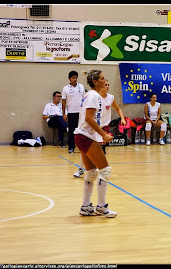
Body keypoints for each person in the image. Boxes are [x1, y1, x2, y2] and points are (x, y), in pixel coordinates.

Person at [73, 69, 116, 218]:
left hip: (82, 136)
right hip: (84, 137)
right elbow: (89, 118)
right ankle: (102, 207)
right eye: (103, 78)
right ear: (95, 82)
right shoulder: (93, 95)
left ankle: (85, 207)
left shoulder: (92, 95)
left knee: (91, 172)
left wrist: (100, 135)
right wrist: (103, 134)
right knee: (105, 170)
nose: (105, 81)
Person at [73, 79, 126, 178]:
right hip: (93, 127)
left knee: (99, 149)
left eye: (108, 85)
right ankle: (81, 168)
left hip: (103, 127)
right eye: (105, 84)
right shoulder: (94, 97)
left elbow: (118, 108)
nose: (107, 86)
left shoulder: (110, 98)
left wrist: (122, 118)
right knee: (86, 149)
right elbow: (88, 116)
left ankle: (98, 167)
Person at [62, 71, 85, 153]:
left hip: (81, 112)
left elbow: (84, 99)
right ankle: (71, 147)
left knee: (81, 130)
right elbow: (64, 102)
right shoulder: (65, 88)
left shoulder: (81, 87)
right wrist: (64, 113)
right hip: (71, 112)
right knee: (71, 131)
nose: (75, 79)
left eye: (76, 77)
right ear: (69, 79)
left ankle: (82, 147)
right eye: (73, 78)